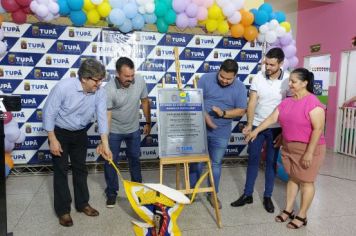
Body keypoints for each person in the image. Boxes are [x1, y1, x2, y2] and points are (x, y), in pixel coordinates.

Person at [245, 68, 326, 229]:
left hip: (309, 148)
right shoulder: (287, 102)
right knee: (293, 179)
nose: (290, 84)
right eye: (290, 81)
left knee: (307, 182)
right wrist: (255, 130)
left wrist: (309, 152)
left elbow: (318, 129)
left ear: (305, 83)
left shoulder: (313, 103)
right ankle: (288, 210)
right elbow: (272, 119)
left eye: (294, 82)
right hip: (289, 148)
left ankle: (302, 215)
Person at [42, 58, 112, 227]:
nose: (99, 84)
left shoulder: (99, 92)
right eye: (96, 80)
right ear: (84, 79)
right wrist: (52, 139)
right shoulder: (63, 88)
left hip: (80, 133)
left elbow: (102, 118)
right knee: (61, 170)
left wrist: (105, 144)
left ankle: (82, 204)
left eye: (101, 79)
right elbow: (48, 113)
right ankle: (63, 211)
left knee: (81, 169)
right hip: (59, 132)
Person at [231, 48, 290, 213]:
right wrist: (249, 124)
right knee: (253, 160)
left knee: (271, 163)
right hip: (257, 126)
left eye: (272, 64)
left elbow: (290, 108)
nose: (268, 67)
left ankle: (267, 196)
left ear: (281, 63)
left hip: (276, 128)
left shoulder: (287, 80)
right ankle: (247, 194)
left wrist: (284, 132)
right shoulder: (258, 76)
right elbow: (252, 102)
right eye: (266, 63)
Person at [189, 59, 247, 209]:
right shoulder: (205, 79)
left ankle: (213, 194)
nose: (225, 81)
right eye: (222, 77)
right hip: (199, 129)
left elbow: (241, 110)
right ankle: (191, 192)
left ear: (235, 76)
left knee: (215, 164)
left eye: (229, 79)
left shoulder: (240, 88)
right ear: (219, 70)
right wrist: (205, 116)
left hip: (221, 131)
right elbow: (194, 100)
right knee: (197, 162)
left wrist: (223, 113)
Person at [104, 57, 151, 208]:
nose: (130, 79)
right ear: (117, 73)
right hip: (114, 131)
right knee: (110, 162)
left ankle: (138, 190)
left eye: (132, 75)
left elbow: (144, 101)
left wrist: (148, 122)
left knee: (135, 160)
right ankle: (112, 193)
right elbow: (107, 116)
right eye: (126, 76)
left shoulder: (140, 80)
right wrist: (105, 137)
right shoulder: (109, 89)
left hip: (133, 129)